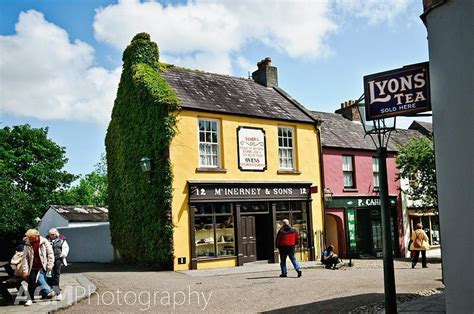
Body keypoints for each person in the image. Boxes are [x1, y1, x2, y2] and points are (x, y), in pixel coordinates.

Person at [22, 229, 55, 306]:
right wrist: (25, 270)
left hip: (43, 265)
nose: (30, 239)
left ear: (36, 236)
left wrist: (50, 265)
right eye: (29, 238)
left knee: (42, 279)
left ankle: (48, 292)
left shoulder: (44, 241)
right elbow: (25, 258)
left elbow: (50, 254)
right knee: (31, 282)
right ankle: (31, 299)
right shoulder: (27, 243)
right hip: (33, 266)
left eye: (31, 238)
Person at [46, 228, 69, 300]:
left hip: (58, 258)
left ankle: (57, 292)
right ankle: (53, 289)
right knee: (49, 275)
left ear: (56, 234)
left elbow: (66, 247)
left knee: (56, 274)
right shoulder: (46, 239)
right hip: (49, 259)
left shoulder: (62, 239)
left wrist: (63, 254)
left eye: (52, 234)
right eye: (50, 234)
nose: (51, 236)